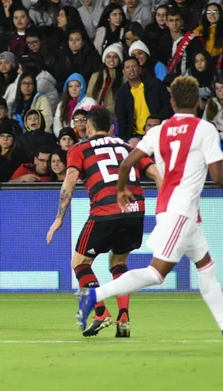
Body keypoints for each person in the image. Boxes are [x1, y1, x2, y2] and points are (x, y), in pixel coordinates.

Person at [77, 76, 223, 337]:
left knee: (207, 271)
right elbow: (218, 177)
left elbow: (126, 163)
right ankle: (95, 296)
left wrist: (121, 190)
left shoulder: (158, 131)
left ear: (172, 102)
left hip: (175, 211)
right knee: (156, 274)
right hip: (181, 212)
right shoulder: (205, 129)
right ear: (199, 102)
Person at [47, 106, 161, 338]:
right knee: (118, 262)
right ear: (111, 128)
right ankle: (124, 317)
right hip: (135, 211)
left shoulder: (79, 149)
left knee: (80, 263)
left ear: (87, 128)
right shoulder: (129, 147)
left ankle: (100, 312)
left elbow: (69, 182)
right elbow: (158, 174)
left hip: (105, 211)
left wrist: (59, 217)